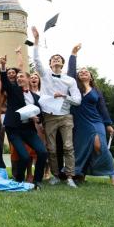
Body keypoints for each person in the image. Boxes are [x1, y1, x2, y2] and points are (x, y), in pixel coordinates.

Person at [32, 26, 81, 188]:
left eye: (59, 58)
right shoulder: (45, 74)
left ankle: (70, 177)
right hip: (50, 116)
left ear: (62, 63)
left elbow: (77, 100)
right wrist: (37, 40)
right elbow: (37, 60)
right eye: (53, 58)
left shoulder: (70, 80)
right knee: (51, 148)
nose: (56, 59)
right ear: (50, 63)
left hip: (66, 116)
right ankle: (54, 175)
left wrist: (64, 96)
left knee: (68, 146)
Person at [67, 45, 114, 186]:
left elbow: (102, 108)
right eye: (81, 71)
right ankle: (81, 172)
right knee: (83, 148)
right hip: (80, 123)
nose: (83, 72)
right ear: (78, 76)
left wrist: (108, 124)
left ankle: (112, 174)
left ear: (91, 76)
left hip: (96, 122)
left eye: (86, 71)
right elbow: (70, 72)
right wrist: (73, 54)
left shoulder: (96, 91)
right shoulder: (75, 88)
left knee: (99, 145)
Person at [0, 55, 47, 187]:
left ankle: (37, 181)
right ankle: (19, 180)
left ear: (28, 78)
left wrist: (38, 119)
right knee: (24, 156)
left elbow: (40, 113)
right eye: (17, 77)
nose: (18, 78)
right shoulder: (13, 90)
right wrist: (3, 67)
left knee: (42, 152)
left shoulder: (36, 97)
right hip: (14, 128)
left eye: (21, 76)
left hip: (28, 129)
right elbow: (5, 80)